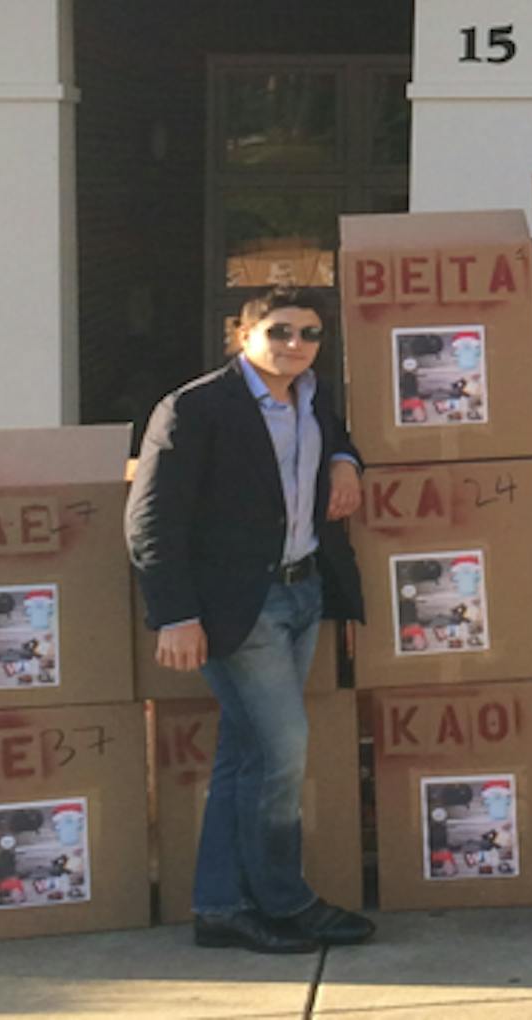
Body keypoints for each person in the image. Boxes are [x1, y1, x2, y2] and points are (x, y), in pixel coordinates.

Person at [126, 286, 377, 954]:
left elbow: (335, 436)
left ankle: (223, 907)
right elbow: (151, 519)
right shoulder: (195, 408)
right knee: (280, 755)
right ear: (243, 334)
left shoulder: (313, 394)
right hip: (242, 606)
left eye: (311, 334)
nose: (296, 345)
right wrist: (175, 615)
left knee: (248, 755)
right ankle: (284, 901)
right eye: (281, 331)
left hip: (303, 594)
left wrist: (346, 461)